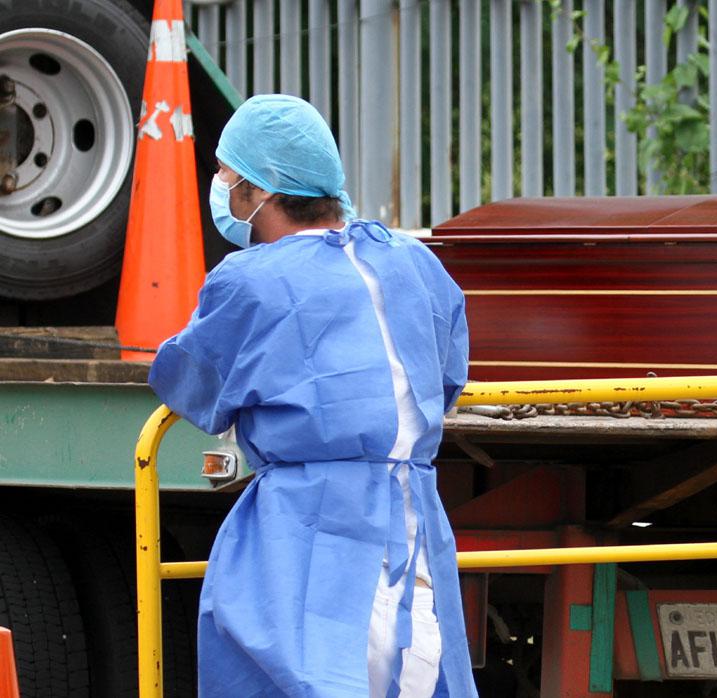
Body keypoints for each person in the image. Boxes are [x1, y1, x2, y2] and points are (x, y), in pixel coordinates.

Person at [149, 94, 476, 697]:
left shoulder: (250, 280)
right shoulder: (415, 261)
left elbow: (190, 381)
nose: (218, 185)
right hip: (417, 537)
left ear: (257, 191)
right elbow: (449, 374)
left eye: (225, 173)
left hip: (309, 536)